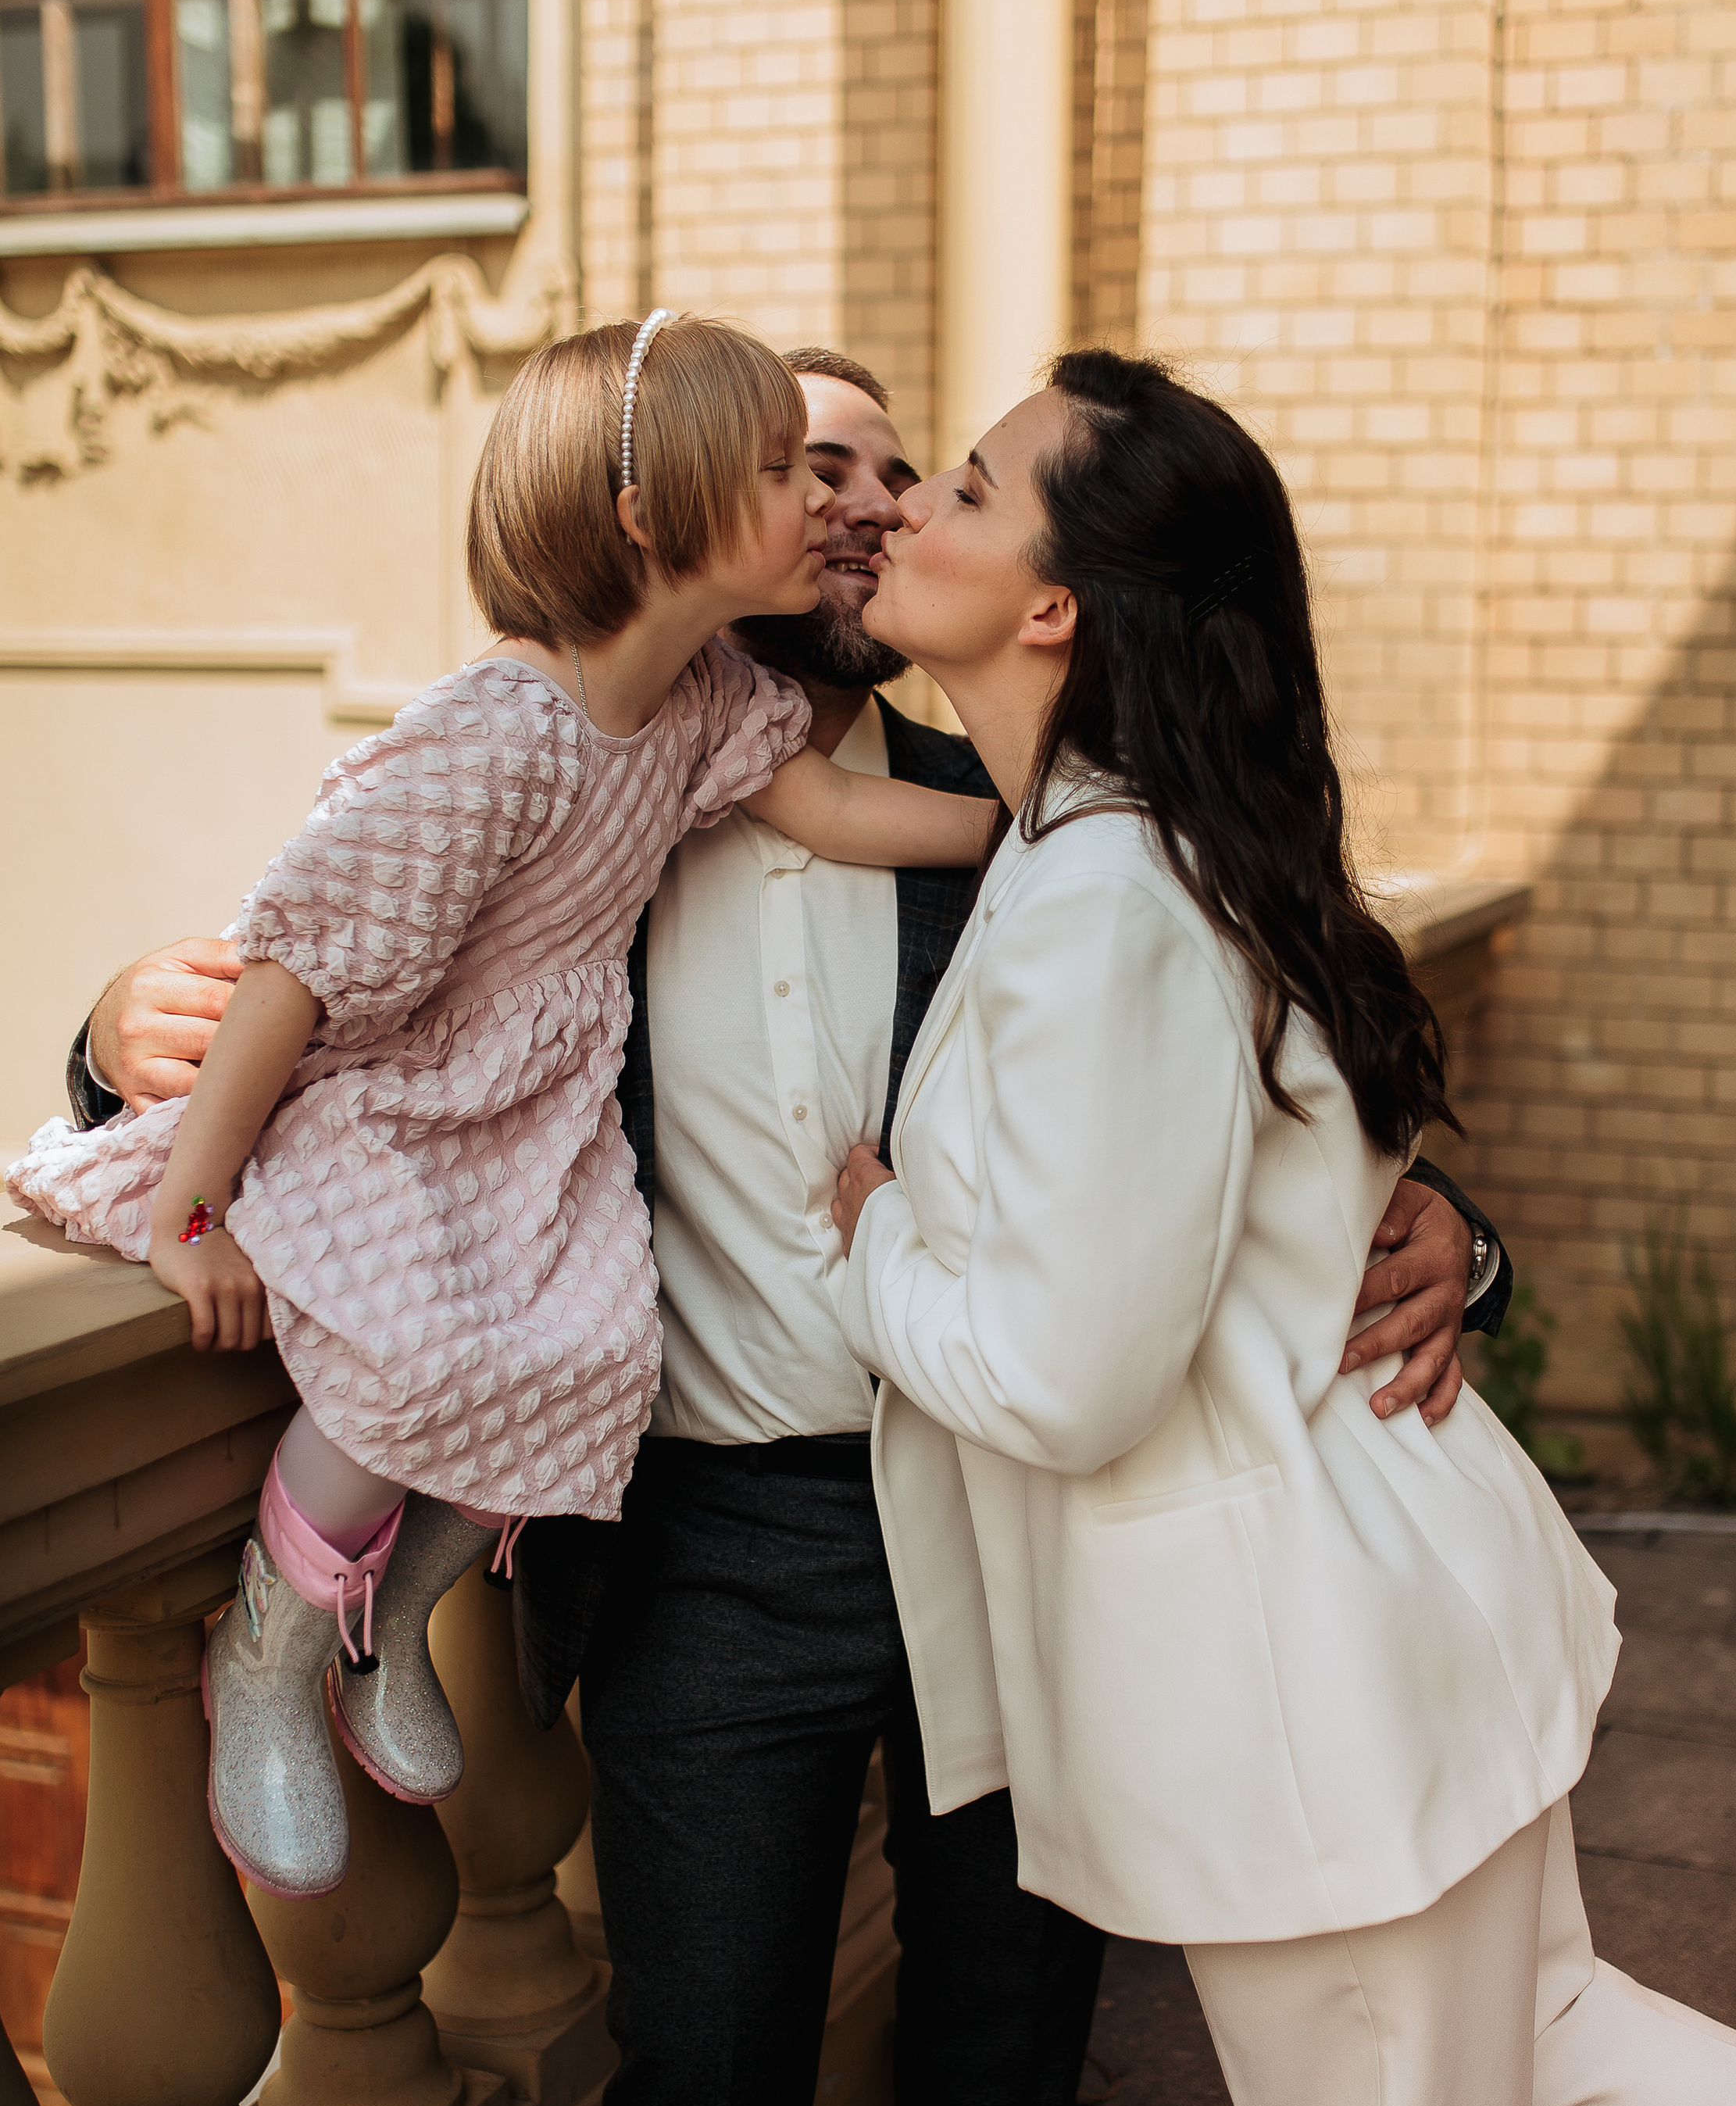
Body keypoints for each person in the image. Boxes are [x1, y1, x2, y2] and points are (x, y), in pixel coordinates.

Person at [65, 345, 1512, 2106]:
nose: (854, 500)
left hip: (993, 1501)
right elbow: (343, 960)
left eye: (882, 468)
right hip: (714, 1533)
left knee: (1015, 1982)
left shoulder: (1023, 815)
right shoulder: (597, 781)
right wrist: (105, 1040)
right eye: (812, 465)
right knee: (710, 2049)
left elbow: (1265, 1030)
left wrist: (1456, 1226)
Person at [827, 345, 1736, 2106]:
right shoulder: (1146, 854)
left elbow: (1065, 1380)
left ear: (1060, 606)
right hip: (1378, 1639)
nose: (916, 512)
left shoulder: (1103, 904)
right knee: (1517, 2086)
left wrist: (876, 1242)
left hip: (1306, 1706)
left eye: (964, 487)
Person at [6, 309, 996, 1903]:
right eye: (782, 472)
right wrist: (191, 1210)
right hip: (395, 1103)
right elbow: (289, 975)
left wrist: (1034, 831)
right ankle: (272, 1638)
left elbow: (826, 805)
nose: (830, 507)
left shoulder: (692, 708)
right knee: (406, 1345)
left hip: (532, 1124)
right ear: (647, 514)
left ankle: (391, 1621)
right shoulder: (492, 734)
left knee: (598, 1347)